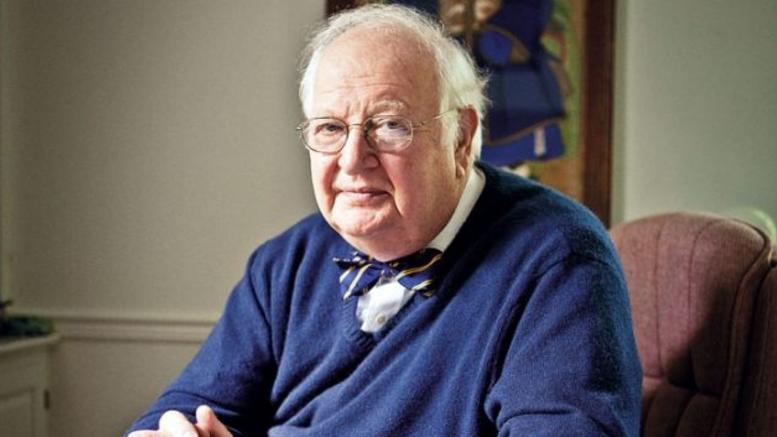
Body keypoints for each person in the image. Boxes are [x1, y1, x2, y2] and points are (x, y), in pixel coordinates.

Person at [127, 4, 641, 436]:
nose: (353, 159)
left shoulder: (558, 260)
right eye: (330, 128)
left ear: (461, 137)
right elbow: (186, 407)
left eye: (390, 125)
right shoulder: (284, 264)